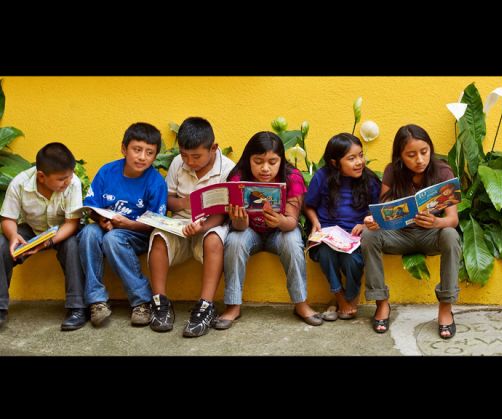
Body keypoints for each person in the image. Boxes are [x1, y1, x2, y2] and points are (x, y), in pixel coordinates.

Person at [362, 124, 461, 339]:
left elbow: (452, 220)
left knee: (451, 236)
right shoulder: (392, 171)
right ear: (400, 156)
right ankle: (381, 303)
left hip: (431, 235)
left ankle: (445, 307)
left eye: (424, 152)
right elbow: (384, 211)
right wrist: (375, 221)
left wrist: (436, 222)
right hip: (399, 234)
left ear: (430, 149)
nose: (420, 160)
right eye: (411, 155)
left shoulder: (443, 172)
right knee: (369, 236)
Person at [221, 131, 322, 325]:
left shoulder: (292, 177)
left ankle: (301, 303)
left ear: (281, 160)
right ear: (248, 159)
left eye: (272, 162)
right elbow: (238, 227)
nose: (265, 168)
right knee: (234, 240)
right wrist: (240, 220)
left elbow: (292, 221)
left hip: (279, 232)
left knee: (292, 239)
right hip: (249, 231)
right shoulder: (238, 178)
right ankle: (233, 306)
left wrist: (280, 222)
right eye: (258, 161)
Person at [147, 117, 235, 337]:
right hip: (180, 222)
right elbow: (168, 198)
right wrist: (183, 203)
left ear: (213, 148)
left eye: (196, 156)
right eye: (185, 155)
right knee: (158, 237)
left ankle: (205, 305)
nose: (190, 161)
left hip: (211, 224)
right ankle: (159, 302)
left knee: (215, 239)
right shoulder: (179, 163)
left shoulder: (228, 169)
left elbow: (224, 212)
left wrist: (203, 226)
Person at [77, 122, 167, 328]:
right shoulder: (107, 172)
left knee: (113, 238)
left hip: (138, 235)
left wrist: (127, 224)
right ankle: (97, 300)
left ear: (155, 156)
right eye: (137, 150)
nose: (142, 157)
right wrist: (101, 220)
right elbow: (92, 207)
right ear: (124, 149)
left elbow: (155, 224)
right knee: (89, 233)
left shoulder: (155, 182)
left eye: (149, 152)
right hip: (108, 229)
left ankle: (142, 301)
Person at [0, 142, 86, 330]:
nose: (68, 181)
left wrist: (48, 242)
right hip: (31, 229)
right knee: (2, 245)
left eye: (70, 175)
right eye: (62, 178)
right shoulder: (20, 183)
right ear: (41, 176)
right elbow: (7, 218)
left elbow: (72, 223)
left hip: (61, 230)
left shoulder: (73, 183)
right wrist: (13, 236)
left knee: (72, 245)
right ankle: (0, 308)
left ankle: (77, 308)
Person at [304, 133, 381, 320]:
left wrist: (365, 223)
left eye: (361, 155)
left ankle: (346, 299)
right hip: (327, 234)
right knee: (325, 254)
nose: (359, 162)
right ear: (334, 162)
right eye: (351, 158)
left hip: (353, 237)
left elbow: (378, 210)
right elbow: (308, 205)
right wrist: (315, 222)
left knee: (352, 261)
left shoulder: (369, 180)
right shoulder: (322, 177)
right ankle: (342, 299)